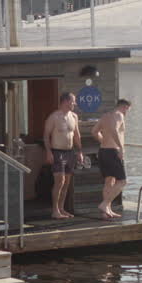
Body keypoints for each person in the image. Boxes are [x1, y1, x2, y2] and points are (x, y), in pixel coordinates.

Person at [43, 92, 81, 220]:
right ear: (65, 102)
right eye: (73, 101)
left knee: (67, 183)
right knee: (60, 181)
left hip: (70, 152)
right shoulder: (54, 117)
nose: (75, 104)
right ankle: (55, 210)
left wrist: (80, 151)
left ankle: (62, 208)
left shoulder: (74, 116)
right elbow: (46, 135)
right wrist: (48, 152)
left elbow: (76, 135)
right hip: (57, 151)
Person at [93, 99, 131, 219]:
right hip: (113, 152)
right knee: (122, 181)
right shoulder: (119, 115)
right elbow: (114, 129)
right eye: (128, 110)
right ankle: (104, 204)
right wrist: (120, 147)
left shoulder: (105, 116)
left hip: (103, 151)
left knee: (109, 181)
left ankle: (107, 211)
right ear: (124, 107)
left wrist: (102, 140)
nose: (127, 113)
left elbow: (94, 131)